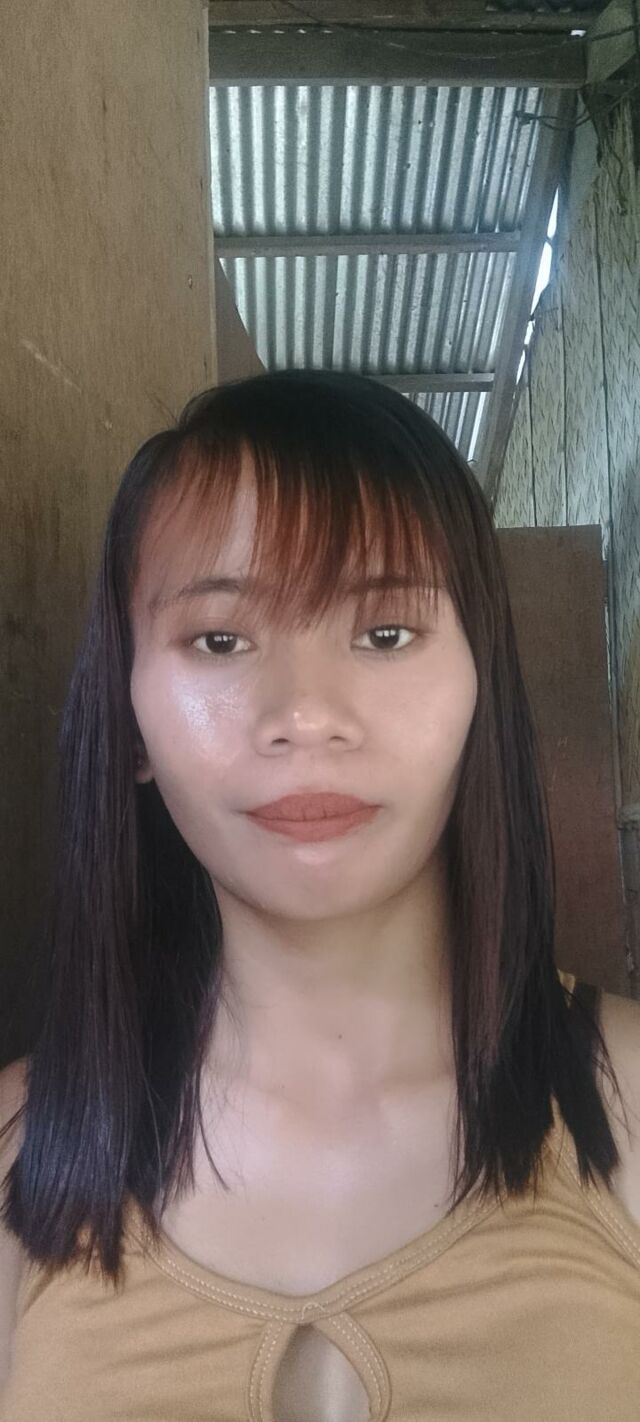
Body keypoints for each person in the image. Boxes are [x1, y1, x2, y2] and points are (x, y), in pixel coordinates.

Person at [1, 369, 639, 1421]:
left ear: (480, 685)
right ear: (130, 722)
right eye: (219, 639)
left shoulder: (626, 1095)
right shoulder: (23, 1147)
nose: (303, 714)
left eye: (385, 634)